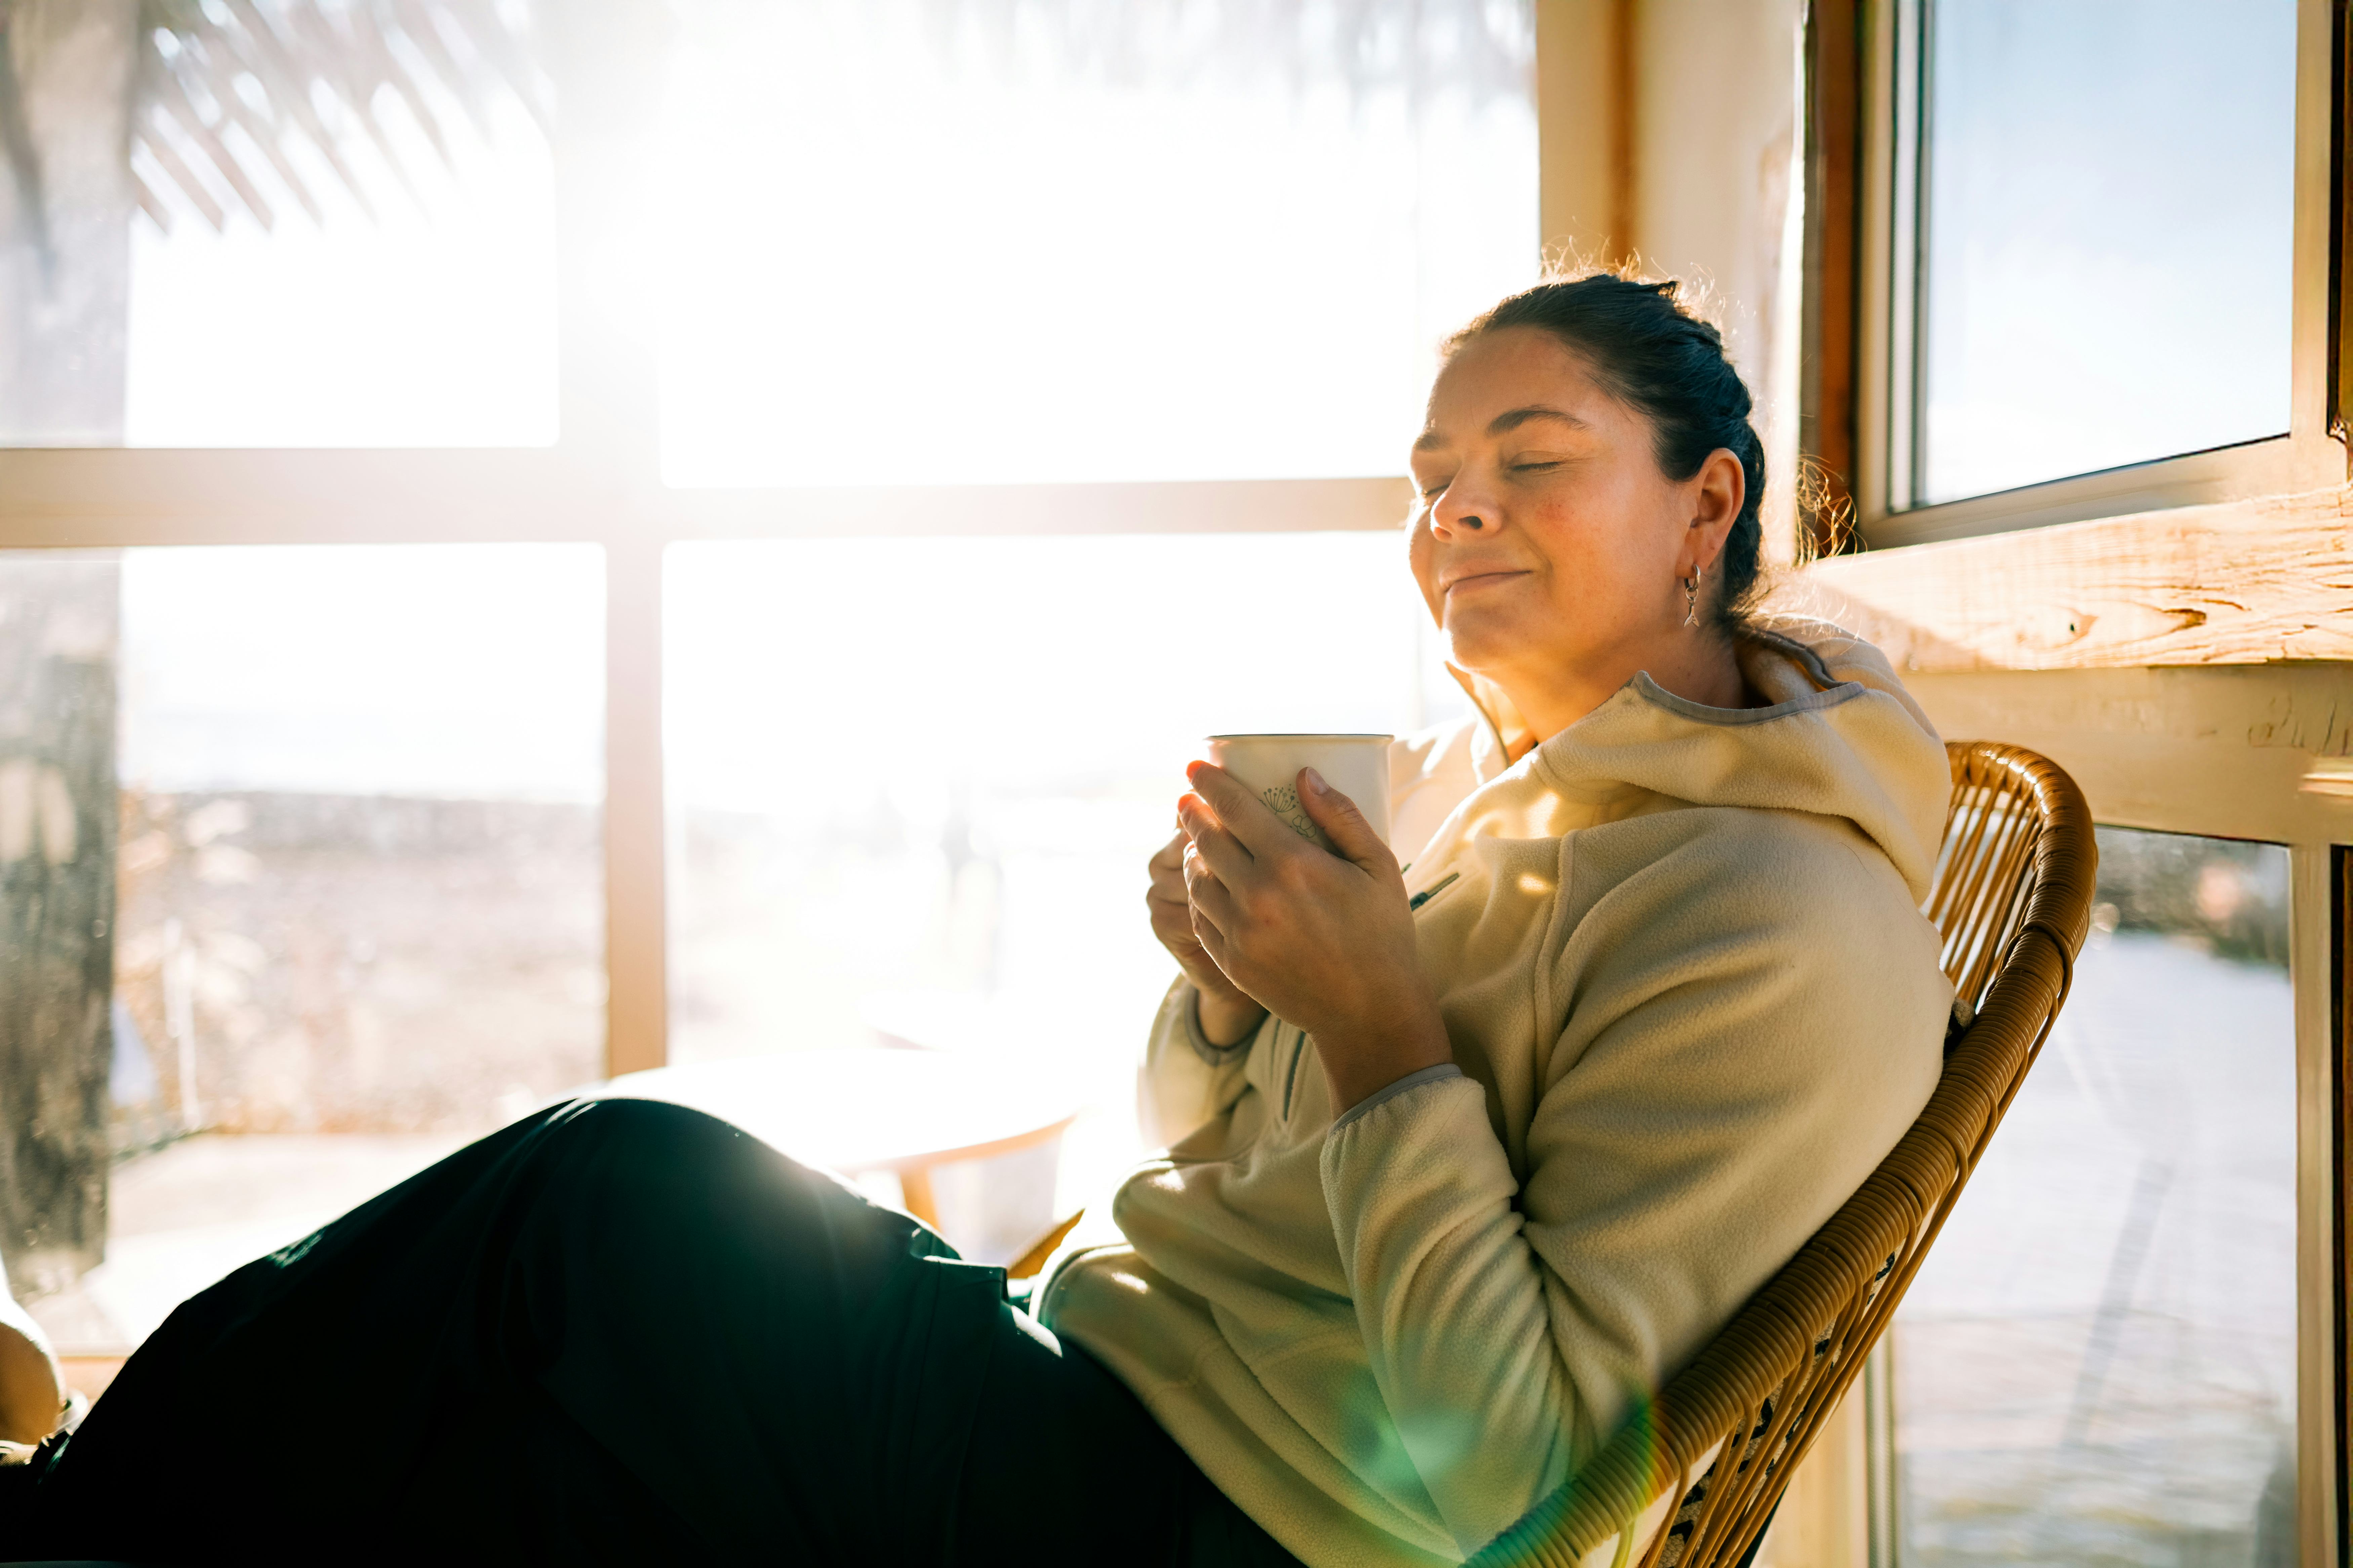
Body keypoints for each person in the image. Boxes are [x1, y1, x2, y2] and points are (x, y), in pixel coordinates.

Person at [0, 273, 1952, 1567]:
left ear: (1705, 512)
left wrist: (1371, 1025)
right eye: (1433, 479)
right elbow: (1204, 1170)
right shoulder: (1500, 808)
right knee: (534, 1475)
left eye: (1531, 466)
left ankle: (71, 1496)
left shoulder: (1774, 922)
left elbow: (1510, 1471)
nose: (1454, 517)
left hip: (1204, 1522)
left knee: (624, 1191)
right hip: (1080, 1379)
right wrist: (1227, 1001)